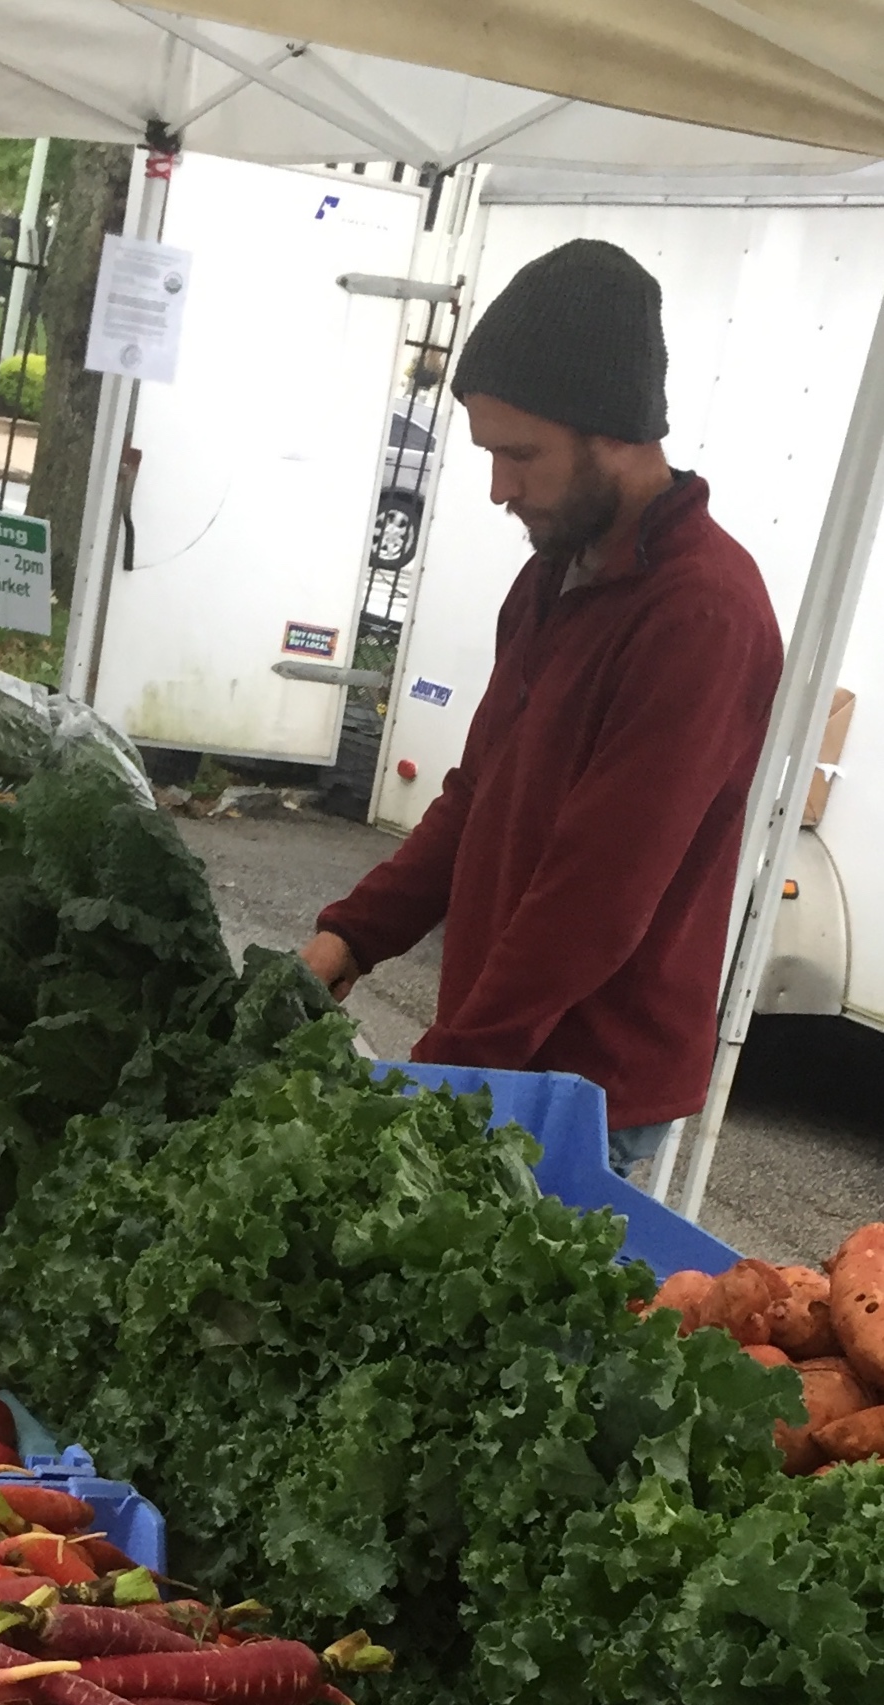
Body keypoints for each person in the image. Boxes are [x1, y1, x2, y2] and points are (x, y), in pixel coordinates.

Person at [300, 238, 782, 1181]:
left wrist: (445, 1072)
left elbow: (596, 898)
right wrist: (353, 932)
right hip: (504, 1059)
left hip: (587, 1092)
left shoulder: (702, 614)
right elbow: (477, 795)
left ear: (617, 432)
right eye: (489, 453)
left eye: (521, 455)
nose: (499, 488)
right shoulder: (548, 579)